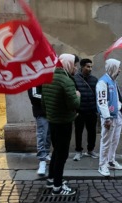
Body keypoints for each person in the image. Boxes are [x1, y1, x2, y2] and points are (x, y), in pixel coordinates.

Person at [42, 54, 80, 195]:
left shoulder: (48, 78)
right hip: (64, 123)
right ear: (68, 64)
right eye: (74, 65)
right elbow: (74, 103)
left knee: (56, 151)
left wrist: (51, 115)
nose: (75, 68)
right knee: (62, 154)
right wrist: (78, 96)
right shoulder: (66, 81)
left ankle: (51, 179)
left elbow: (43, 104)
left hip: (52, 121)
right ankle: (57, 187)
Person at [96, 58, 122, 176]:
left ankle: (110, 161)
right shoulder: (103, 82)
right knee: (106, 141)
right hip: (109, 117)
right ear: (113, 68)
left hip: (117, 114)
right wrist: (106, 118)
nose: (120, 70)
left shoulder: (113, 81)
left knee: (115, 140)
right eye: (118, 68)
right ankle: (102, 164)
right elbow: (101, 101)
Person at [73, 58, 99, 161]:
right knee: (78, 132)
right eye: (88, 66)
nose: (90, 69)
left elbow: (97, 95)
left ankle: (90, 150)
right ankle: (78, 151)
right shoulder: (75, 79)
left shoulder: (95, 80)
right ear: (82, 67)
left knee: (92, 132)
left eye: (91, 67)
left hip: (92, 111)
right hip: (80, 111)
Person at [28, 86, 51, 176]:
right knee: (42, 135)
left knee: (48, 135)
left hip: (49, 111)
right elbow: (34, 95)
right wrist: (49, 98)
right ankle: (42, 160)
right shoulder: (35, 79)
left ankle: (46, 154)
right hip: (41, 112)